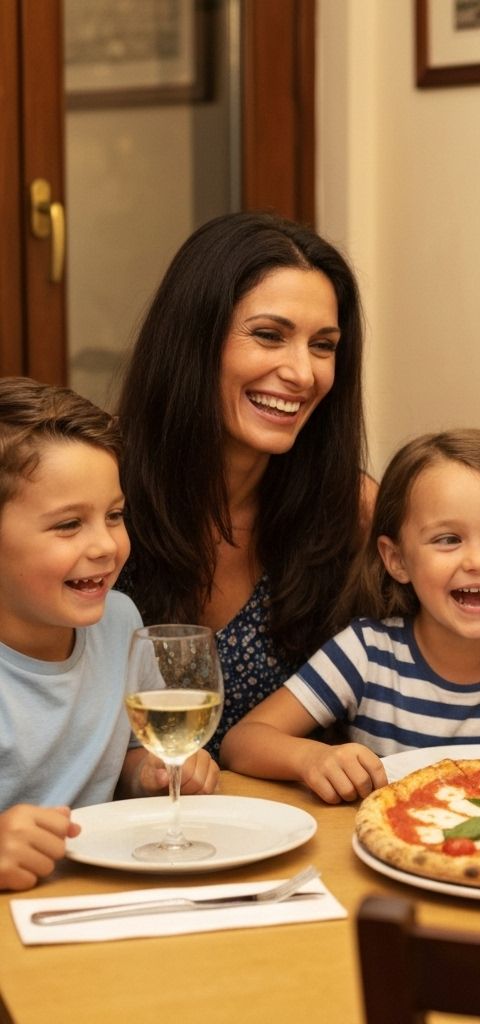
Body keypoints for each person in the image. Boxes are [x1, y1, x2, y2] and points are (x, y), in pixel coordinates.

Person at [220, 428, 480, 801]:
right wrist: (311, 758)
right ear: (396, 560)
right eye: (448, 539)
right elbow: (242, 741)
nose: (479, 560)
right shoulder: (367, 653)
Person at [116, 211, 376, 762]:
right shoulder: (100, 495)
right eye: (268, 335)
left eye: (323, 345)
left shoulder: (350, 510)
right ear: (194, 338)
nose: (302, 373)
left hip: (296, 816)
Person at [0, 378, 218, 891]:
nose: (106, 545)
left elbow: (124, 756)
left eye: (114, 516)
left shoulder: (119, 621)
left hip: (97, 893)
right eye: (68, 524)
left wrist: (151, 773)